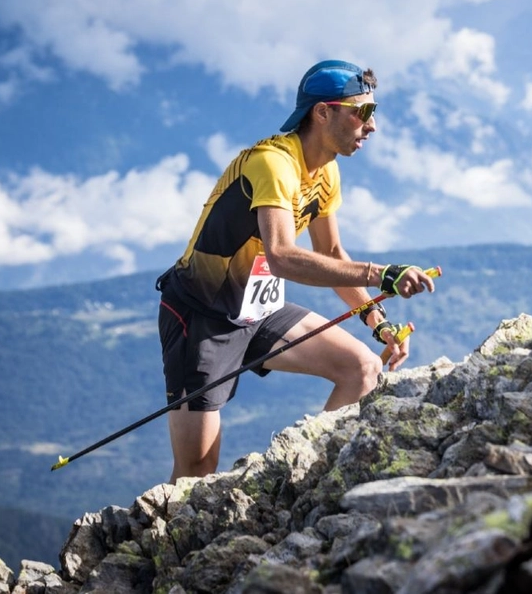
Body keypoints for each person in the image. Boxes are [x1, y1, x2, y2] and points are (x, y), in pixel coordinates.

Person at [155, 59, 435, 482]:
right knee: (197, 468)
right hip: (203, 315)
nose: (372, 126)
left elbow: (333, 253)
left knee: (361, 369)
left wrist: (379, 324)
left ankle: (308, 484)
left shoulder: (326, 172)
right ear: (323, 112)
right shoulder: (273, 164)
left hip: (260, 311)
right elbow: (283, 254)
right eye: (363, 112)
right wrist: (384, 274)